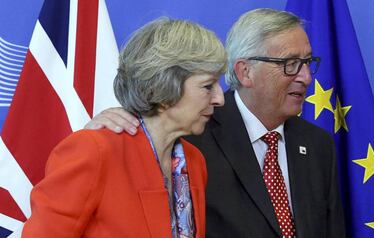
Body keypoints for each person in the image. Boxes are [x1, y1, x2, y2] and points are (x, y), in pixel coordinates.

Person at [86, 9, 346, 238]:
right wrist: (107, 128)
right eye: (290, 64)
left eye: (308, 63)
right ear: (245, 72)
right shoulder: (189, 134)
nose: (305, 77)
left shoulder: (317, 145)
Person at [22, 17, 227, 238]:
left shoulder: (194, 161)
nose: (220, 98)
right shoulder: (94, 150)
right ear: (165, 86)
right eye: (208, 86)